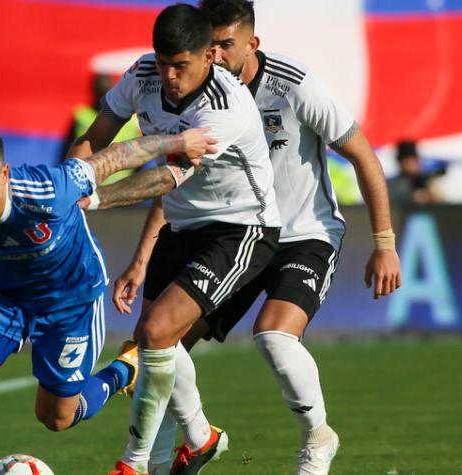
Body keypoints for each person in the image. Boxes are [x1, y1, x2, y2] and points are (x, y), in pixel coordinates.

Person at [141, 2, 403, 474]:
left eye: (226, 45)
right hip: (234, 234)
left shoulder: (295, 87)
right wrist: (142, 256)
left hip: (303, 234)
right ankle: (172, 455)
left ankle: (317, 440)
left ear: (251, 44)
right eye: (209, 46)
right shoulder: (196, 102)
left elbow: (364, 155)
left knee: (274, 335)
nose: (215, 56)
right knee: (163, 343)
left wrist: (383, 242)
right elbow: (181, 183)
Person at [0, 122, 216, 475]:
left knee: (56, 417)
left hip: (70, 301)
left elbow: (116, 157)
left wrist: (179, 141)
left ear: (4, 174)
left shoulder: (47, 188)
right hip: (1, 293)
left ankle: (124, 369)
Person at [69, 5, 283, 474]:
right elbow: (99, 135)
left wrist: (95, 199)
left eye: (180, 65)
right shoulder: (143, 75)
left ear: (209, 56)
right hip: (182, 226)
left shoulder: (224, 107)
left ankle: (135, 463)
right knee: (157, 347)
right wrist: (67, 181)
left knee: (154, 333)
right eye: (162, 62)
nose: (167, 75)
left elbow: (166, 176)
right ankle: (200, 440)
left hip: (242, 229)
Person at [60, 73, 142, 185]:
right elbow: (142, 154)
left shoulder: (81, 115)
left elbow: (67, 150)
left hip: (89, 184)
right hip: (120, 186)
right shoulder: (133, 120)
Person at [387, 139, 445, 204]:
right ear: (400, 163)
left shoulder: (427, 180)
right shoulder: (393, 183)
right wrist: (412, 197)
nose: (410, 165)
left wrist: (430, 196)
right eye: (407, 162)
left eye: (413, 161)